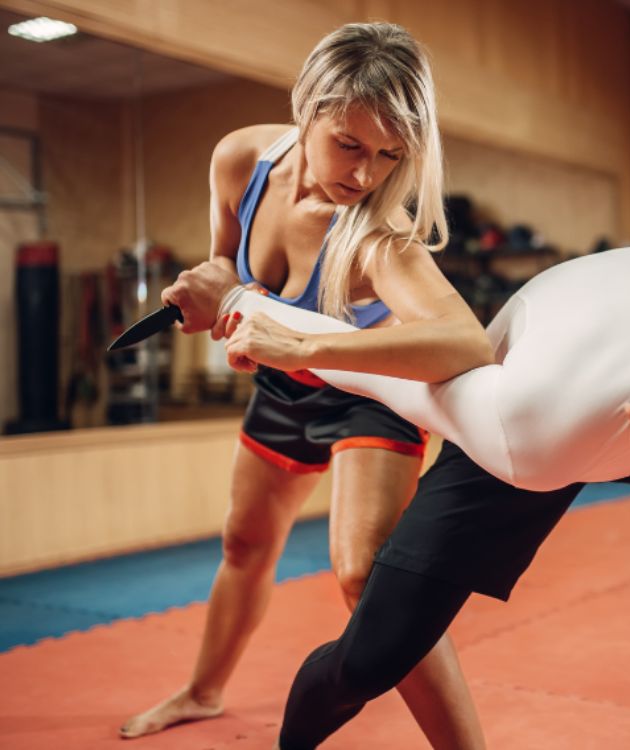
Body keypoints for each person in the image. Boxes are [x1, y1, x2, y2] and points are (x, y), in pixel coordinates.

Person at [213, 229, 630, 750]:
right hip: (548, 359)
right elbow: (391, 373)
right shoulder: (527, 427)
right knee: (373, 657)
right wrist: (243, 304)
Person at [120, 23, 491, 749]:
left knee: (363, 574)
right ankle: (202, 691)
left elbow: (467, 341)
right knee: (243, 542)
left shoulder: (382, 240)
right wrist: (213, 298)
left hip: (368, 393)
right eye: (349, 145)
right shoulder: (238, 160)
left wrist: (300, 342)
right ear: (307, 109)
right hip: (284, 387)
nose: (365, 175)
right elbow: (226, 270)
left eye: (390, 155)